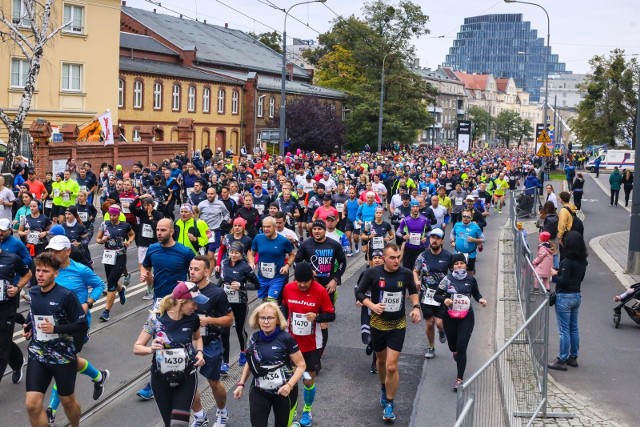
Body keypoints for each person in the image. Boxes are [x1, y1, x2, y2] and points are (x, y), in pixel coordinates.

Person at [43, 235, 109, 426]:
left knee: (63, 364)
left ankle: (51, 410)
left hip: (76, 327)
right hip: (52, 325)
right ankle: (99, 376)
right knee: (69, 362)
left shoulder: (80, 270)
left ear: (68, 251)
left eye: (56, 251)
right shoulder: (49, 271)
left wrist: (88, 302)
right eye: (50, 250)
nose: (52, 254)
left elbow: (99, 285)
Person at [355, 244, 421, 423]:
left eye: (398, 257)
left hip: (398, 324)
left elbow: (413, 292)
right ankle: (384, 388)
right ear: (384, 258)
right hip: (377, 323)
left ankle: (390, 403)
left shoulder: (405, 273)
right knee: (381, 362)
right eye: (392, 257)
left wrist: (416, 307)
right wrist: (372, 306)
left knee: (392, 366)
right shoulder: (372, 273)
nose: (396, 261)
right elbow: (359, 293)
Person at [24, 253, 88, 427]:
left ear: (56, 273)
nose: (40, 275)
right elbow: (34, 315)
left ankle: (75, 425)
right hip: (38, 353)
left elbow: (82, 325)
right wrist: (29, 327)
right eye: (38, 270)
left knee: (67, 401)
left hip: (63, 357)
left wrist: (57, 330)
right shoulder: (34, 292)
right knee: (32, 404)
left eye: (45, 271)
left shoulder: (66, 296)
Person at [136, 218, 195, 400]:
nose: (159, 233)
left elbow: (196, 273)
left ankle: (185, 374)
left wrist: (188, 284)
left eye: (163, 230)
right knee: (159, 342)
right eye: (157, 230)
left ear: (172, 232)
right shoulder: (153, 249)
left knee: (179, 340)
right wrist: (145, 274)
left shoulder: (184, 252)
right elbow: (145, 266)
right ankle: (156, 380)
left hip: (179, 303)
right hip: (160, 303)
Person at [132, 281, 207, 427]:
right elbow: (137, 347)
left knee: (178, 424)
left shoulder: (193, 319)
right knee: (169, 424)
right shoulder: (156, 319)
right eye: (194, 303)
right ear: (181, 301)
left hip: (187, 377)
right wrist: (150, 349)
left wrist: (200, 352)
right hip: (160, 379)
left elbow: (197, 338)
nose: (196, 307)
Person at [232, 301, 306, 427]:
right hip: (259, 390)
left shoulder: (286, 338)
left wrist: (289, 385)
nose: (266, 322)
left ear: (277, 320)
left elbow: (301, 365)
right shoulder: (253, 338)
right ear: (257, 320)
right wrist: (241, 383)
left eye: (270, 318)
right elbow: (250, 363)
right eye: (263, 318)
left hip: (284, 392)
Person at [280, 261, 335, 427]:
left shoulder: (320, 291)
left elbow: (331, 315)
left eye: (306, 282)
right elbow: (283, 307)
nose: (302, 285)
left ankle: (307, 410)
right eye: (299, 281)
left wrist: (317, 317)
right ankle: (292, 415)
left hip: (312, 343)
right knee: (290, 380)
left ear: (312, 279)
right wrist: (281, 323)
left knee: (308, 380)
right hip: (290, 342)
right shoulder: (288, 288)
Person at [189, 256, 235, 427]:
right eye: (191, 269)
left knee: (214, 382)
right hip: (189, 344)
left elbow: (229, 320)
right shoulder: (186, 290)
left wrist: (209, 321)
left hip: (210, 343)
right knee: (188, 383)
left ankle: (222, 412)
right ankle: (200, 416)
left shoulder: (217, 293)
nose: (192, 272)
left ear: (207, 272)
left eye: (196, 269)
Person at [434, 253, 487, 391]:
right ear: (452, 267)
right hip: (450, 317)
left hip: (466, 316)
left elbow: (476, 293)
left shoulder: (471, 279)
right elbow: (436, 295)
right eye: (456, 264)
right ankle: (455, 352)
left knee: (462, 346)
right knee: (453, 346)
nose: (459, 266)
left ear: (465, 265)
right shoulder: (447, 279)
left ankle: (459, 379)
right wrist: (444, 300)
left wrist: (481, 299)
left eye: (461, 263)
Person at [294, 219, 346, 357]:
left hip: (327, 287)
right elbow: (297, 262)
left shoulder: (334, 244)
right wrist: (307, 271)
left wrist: (335, 279)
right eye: (314, 229)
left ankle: (318, 354)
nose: (316, 232)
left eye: (319, 229)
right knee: (307, 318)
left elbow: (342, 262)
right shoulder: (306, 244)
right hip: (310, 287)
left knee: (323, 322)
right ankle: (305, 349)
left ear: (324, 230)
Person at [548, 231, 588, 371]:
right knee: (573, 327)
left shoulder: (567, 261)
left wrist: (555, 275)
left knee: (564, 330)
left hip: (565, 296)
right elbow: (580, 278)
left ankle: (562, 359)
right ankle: (573, 357)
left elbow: (563, 281)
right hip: (577, 295)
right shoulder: (583, 261)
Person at [413, 228, 452, 359]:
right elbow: (415, 270)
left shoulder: (448, 256)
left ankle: (441, 331)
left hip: (441, 294)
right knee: (429, 323)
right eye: (432, 237)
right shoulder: (423, 256)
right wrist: (416, 280)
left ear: (442, 241)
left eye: (437, 238)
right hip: (426, 294)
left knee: (439, 323)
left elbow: (453, 275)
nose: (434, 240)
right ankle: (431, 347)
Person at [0, 236, 32, 386]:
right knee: (4, 342)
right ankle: (18, 362)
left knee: (2, 348)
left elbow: (27, 274)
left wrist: (18, 288)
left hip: (6, 307)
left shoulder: (11, 258)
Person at [95, 205, 134, 321]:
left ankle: (106, 312)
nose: (112, 217)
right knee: (112, 280)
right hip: (108, 256)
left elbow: (132, 234)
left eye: (114, 215)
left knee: (111, 283)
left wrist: (129, 241)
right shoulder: (104, 224)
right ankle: (121, 291)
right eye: (111, 215)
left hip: (120, 256)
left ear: (119, 215)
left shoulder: (125, 225)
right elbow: (98, 239)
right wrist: (102, 240)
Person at [248, 217, 295, 302]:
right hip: (262, 277)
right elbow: (251, 254)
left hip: (277, 277)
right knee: (264, 301)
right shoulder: (258, 238)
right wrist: (251, 263)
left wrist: (287, 266)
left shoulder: (283, 241)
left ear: (274, 227)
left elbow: (292, 254)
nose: (265, 229)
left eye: (268, 227)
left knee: (271, 301)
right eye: (264, 227)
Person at [354, 249, 385, 374]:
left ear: (384, 259)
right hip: (367, 308)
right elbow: (358, 288)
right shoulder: (366, 273)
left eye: (379, 257)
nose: (377, 260)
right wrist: (359, 299)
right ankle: (370, 343)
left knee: (378, 336)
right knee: (368, 337)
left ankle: (375, 362)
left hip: (382, 309)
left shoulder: (388, 274)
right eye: (374, 258)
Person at [397, 200, 431, 270]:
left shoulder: (424, 219)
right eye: (413, 207)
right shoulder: (405, 220)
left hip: (420, 248)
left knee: (418, 269)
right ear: (410, 208)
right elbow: (397, 232)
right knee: (407, 269)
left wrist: (426, 238)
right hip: (408, 248)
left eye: (417, 207)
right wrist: (403, 236)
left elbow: (430, 231)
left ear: (419, 208)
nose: (415, 209)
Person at [450, 209, 485, 274]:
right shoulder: (457, 225)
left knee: (469, 272)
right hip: (457, 252)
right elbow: (452, 233)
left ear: (471, 217)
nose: (465, 218)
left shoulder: (475, 227)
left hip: (470, 254)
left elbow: (483, 239)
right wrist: (452, 241)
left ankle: (469, 282)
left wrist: (474, 240)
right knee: (455, 270)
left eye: (468, 217)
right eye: (464, 216)